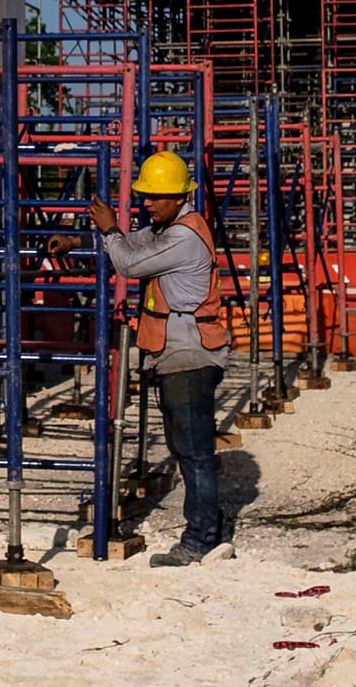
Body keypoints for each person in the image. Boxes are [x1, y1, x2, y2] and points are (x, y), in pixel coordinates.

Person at [85, 149, 234, 567]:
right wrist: (92, 237)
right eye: (144, 196)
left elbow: (129, 263)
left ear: (177, 196)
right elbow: (131, 245)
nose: (146, 203)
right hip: (174, 352)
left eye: (154, 197)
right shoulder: (169, 228)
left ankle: (201, 539)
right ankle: (207, 529)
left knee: (193, 450)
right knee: (186, 446)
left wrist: (110, 228)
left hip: (188, 354)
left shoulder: (183, 236)